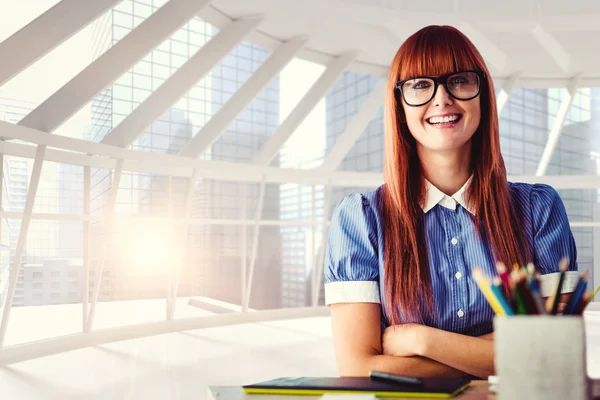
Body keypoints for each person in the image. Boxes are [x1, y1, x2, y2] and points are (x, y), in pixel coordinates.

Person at [323, 25, 580, 379]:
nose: (442, 99)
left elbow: (556, 352)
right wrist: (507, 355)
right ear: (399, 105)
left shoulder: (539, 209)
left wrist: (419, 339)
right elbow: (357, 368)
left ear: (482, 96)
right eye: (420, 85)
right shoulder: (361, 219)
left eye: (459, 80)